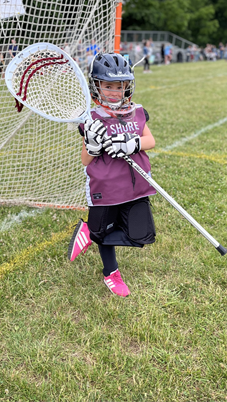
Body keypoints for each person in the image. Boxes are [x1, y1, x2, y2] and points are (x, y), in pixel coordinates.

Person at [67, 53, 158, 297]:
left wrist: (132, 143)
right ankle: (111, 272)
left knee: (143, 236)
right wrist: (93, 146)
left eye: (120, 86)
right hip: (105, 190)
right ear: (96, 86)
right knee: (101, 233)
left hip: (136, 186)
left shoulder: (136, 111)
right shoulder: (92, 119)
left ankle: (89, 233)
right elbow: (86, 159)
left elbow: (151, 140)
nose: (115, 92)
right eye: (108, 86)